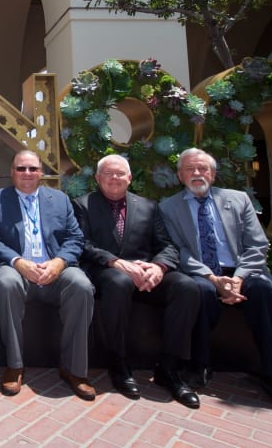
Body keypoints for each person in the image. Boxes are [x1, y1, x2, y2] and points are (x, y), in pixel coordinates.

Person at [159, 147, 272, 417]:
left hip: (243, 271)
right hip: (202, 271)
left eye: (203, 168)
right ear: (180, 175)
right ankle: (200, 364)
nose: (197, 173)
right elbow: (179, 250)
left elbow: (257, 245)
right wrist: (213, 278)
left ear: (213, 174)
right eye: (190, 169)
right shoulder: (168, 207)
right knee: (197, 291)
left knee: (262, 290)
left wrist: (237, 279)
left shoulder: (238, 200)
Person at [74, 154, 200, 407]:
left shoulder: (149, 206)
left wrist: (158, 267)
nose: (114, 178)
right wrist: (115, 262)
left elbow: (167, 245)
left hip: (145, 272)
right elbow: (81, 244)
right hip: (107, 270)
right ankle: (118, 362)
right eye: (108, 173)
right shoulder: (82, 204)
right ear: (97, 178)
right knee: (119, 283)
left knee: (187, 287)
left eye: (120, 173)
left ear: (130, 178)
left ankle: (169, 367)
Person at [0, 150, 96, 401]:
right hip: (15, 267)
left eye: (32, 169)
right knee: (4, 282)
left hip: (54, 269)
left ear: (41, 173)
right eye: (21, 168)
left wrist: (59, 262)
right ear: (12, 172)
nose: (27, 173)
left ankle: (74, 369)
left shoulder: (60, 200)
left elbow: (75, 238)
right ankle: (14, 365)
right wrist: (18, 262)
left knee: (81, 285)